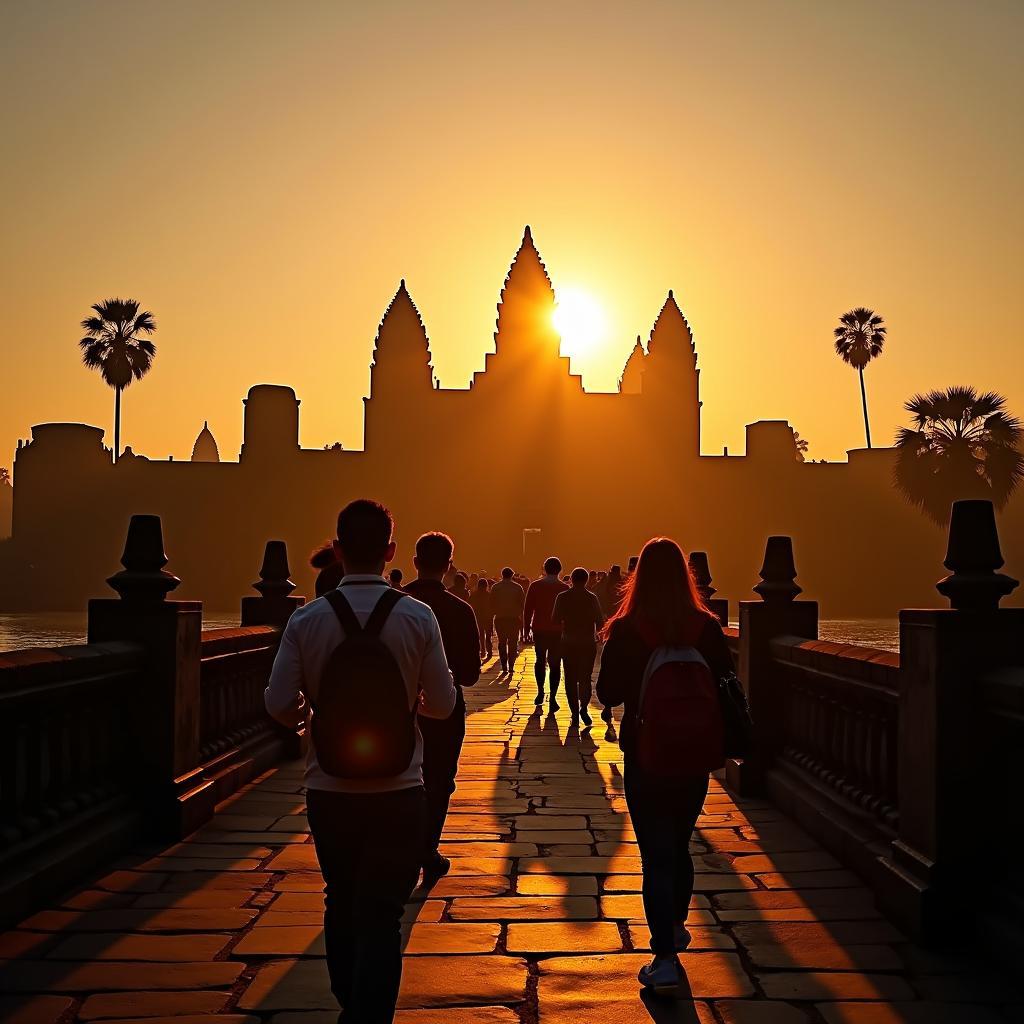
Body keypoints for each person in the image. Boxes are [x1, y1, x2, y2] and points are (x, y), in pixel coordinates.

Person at [265, 499, 456, 1024]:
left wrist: (314, 716)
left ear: (338, 549)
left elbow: (279, 705)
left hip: (330, 789)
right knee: (383, 914)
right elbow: (442, 704)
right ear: (392, 551)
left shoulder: (308, 620)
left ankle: (352, 1000)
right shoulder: (418, 617)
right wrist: (409, 701)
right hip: (400, 789)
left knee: (341, 898)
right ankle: (371, 1015)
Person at [596, 537, 733, 991]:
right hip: (695, 755)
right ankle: (674, 925)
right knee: (680, 842)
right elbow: (726, 684)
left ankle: (665, 956)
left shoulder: (627, 628)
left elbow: (609, 693)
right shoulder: (706, 626)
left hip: (645, 753)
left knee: (655, 854)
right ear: (686, 576)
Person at [403, 532, 482, 882]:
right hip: (446, 710)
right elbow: (469, 675)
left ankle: (403, 846)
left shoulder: (396, 604)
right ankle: (427, 848)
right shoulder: (460, 610)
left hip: (398, 709)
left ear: (415, 562)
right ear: (449, 566)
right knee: (439, 780)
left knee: (400, 778)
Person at [551, 566, 605, 727]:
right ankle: (583, 708)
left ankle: (574, 712)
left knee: (570, 679)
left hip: (568, 642)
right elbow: (600, 621)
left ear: (572, 580)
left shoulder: (562, 597)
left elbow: (554, 619)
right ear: (586, 580)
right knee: (585, 678)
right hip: (587, 642)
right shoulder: (592, 598)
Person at [523, 556, 569, 710]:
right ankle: (554, 697)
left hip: (539, 629)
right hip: (557, 631)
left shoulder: (535, 586)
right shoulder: (564, 588)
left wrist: (525, 630)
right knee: (555, 664)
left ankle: (540, 691)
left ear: (544, 568)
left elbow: (528, 609)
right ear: (560, 570)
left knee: (540, 660)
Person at [490, 567, 525, 674]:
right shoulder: (518, 587)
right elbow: (522, 604)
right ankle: (511, 666)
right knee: (513, 643)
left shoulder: (495, 587)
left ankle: (504, 665)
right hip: (513, 619)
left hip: (500, 618)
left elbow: (491, 603)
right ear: (512, 575)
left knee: (502, 642)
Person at [468, 576, 493, 660]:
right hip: (488, 618)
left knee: (481, 635)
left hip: (478, 617)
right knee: (488, 636)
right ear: (486, 586)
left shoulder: (474, 595)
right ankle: (489, 652)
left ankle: (482, 650)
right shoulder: (489, 595)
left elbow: (469, 605)